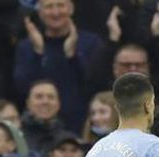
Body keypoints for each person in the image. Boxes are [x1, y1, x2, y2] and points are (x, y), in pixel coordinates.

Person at [14, 0, 102, 132]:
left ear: (71, 9)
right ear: (40, 12)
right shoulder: (27, 46)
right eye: (49, 7)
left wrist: (73, 57)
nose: (56, 13)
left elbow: (94, 85)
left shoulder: (91, 43)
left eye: (61, 6)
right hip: (39, 127)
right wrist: (37, 53)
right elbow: (22, 88)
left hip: (80, 123)